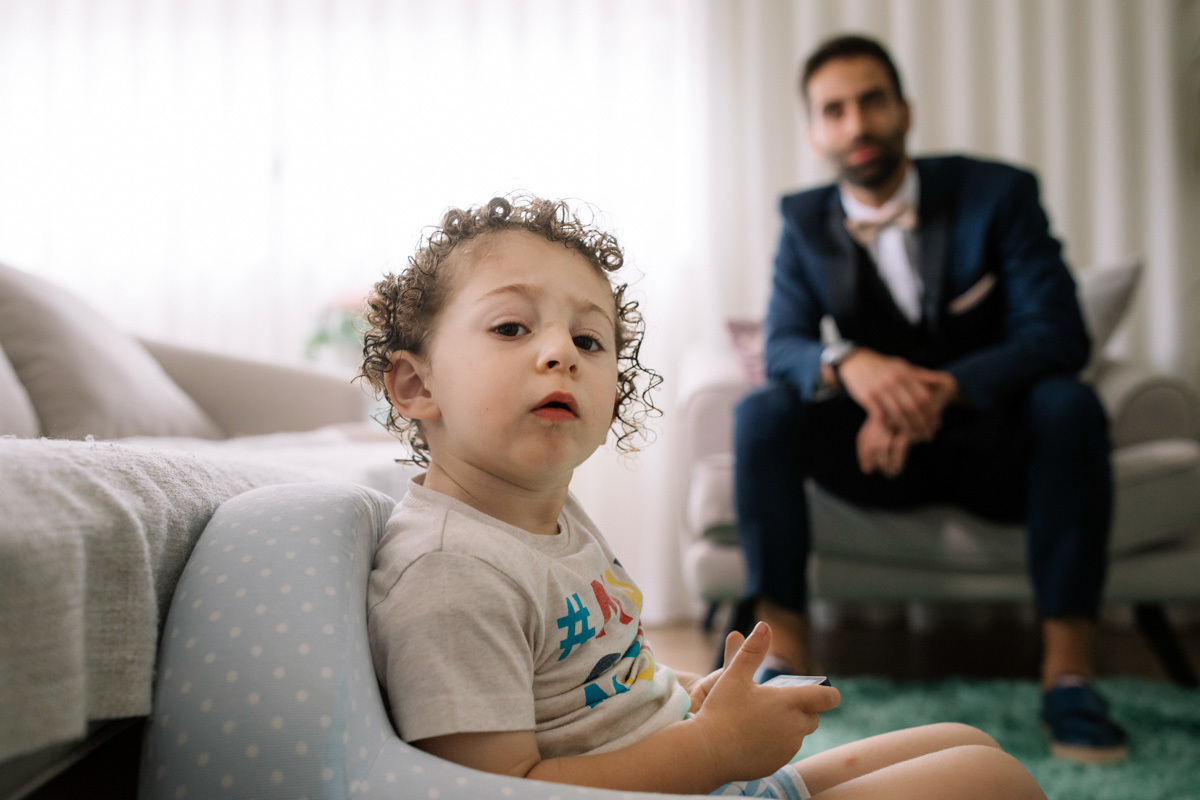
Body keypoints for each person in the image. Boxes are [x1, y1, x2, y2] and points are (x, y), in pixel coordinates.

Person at [358, 194, 1046, 799]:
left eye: (590, 339)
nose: (561, 351)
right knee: (994, 786)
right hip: (692, 781)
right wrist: (713, 747)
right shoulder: (450, 572)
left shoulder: (551, 515)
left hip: (699, 778)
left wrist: (696, 692)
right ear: (417, 386)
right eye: (512, 327)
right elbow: (497, 792)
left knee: (969, 743)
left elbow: (600, 681)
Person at [734, 33, 1124, 765]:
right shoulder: (803, 219)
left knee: (1069, 404)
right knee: (761, 413)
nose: (857, 125)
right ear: (815, 131)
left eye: (872, 102)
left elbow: (1059, 334)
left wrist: (938, 393)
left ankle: (1069, 675)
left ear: (905, 111)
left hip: (992, 448)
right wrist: (848, 364)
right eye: (835, 110)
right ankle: (781, 663)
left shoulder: (998, 194)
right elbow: (785, 343)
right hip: (873, 461)